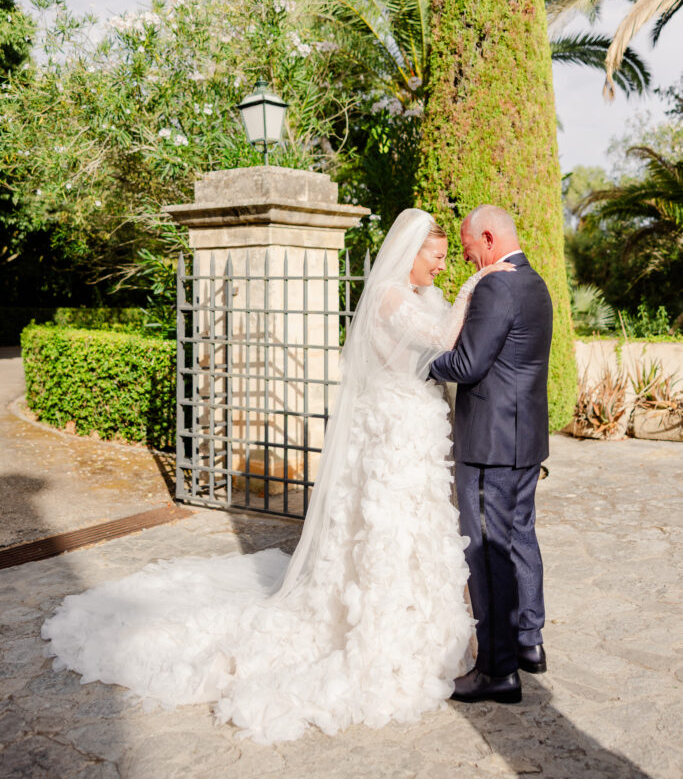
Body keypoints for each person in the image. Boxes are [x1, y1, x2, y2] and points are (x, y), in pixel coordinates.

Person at [41, 209, 510, 745]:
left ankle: (423, 625)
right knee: (387, 527)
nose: (443, 267)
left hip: (418, 428)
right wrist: (478, 283)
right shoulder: (390, 298)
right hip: (392, 430)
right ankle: (382, 628)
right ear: (410, 253)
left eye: (448, 259)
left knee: (418, 526)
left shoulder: (423, 296)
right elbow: (446, 338)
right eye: (438, 257)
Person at [429, 205, 553, 705]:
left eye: (467, 248)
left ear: (487, 237)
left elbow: (467, 363)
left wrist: (423, 362)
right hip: (525, 442)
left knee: (486, 551)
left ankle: (497, 670)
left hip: (490, 446)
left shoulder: (495, 286)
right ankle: (528, 641)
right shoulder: (535, 283)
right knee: (520, 536)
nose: (466, 258)